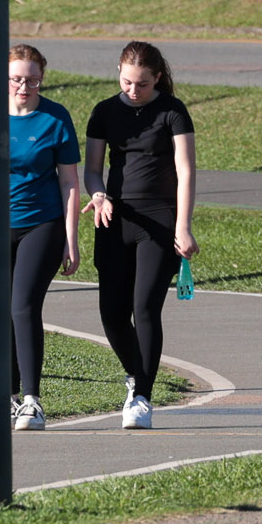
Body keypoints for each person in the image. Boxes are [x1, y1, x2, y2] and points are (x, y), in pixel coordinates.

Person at [0, 42, 83, 430]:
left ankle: (32, 400)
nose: (23, 87)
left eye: (31, 80)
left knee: (23, 306)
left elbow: (70, 183)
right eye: (16, 79)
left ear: (42, 79)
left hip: (42, 224)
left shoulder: (55, 119)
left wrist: (71, 239)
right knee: (0, 310)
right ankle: (8, 397)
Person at [83, 40, 197, 431]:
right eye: (128, 82)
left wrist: (182, 226)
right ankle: (136, 373)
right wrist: (97, 194)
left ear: (158, 78)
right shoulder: (104, 112)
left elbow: (186, 172)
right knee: (112, 314)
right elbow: (93, 168)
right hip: (114, 219)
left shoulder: (172, 112)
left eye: (143, 84)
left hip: (159, 220)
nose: (134, 90)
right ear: (118, 72)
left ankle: (142, 397)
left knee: (144, 307)